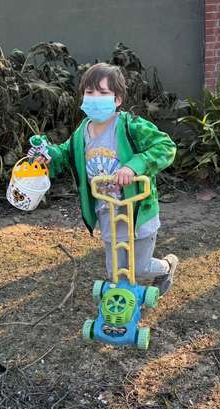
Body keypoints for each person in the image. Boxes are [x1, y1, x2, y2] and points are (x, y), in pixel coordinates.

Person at [28, 63, 179, 293]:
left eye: (103, 92)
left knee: (139, 267)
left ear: (117, 99)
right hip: (106, 210)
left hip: (137, 209)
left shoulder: (131, 125)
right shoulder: (82, 133)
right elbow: (67, 153)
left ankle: (167, 266)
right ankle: (124, 306)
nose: (95, 98)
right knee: (115, 270)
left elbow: (165, 147)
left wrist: (134, 167)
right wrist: (49, 157)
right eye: (90, 93)